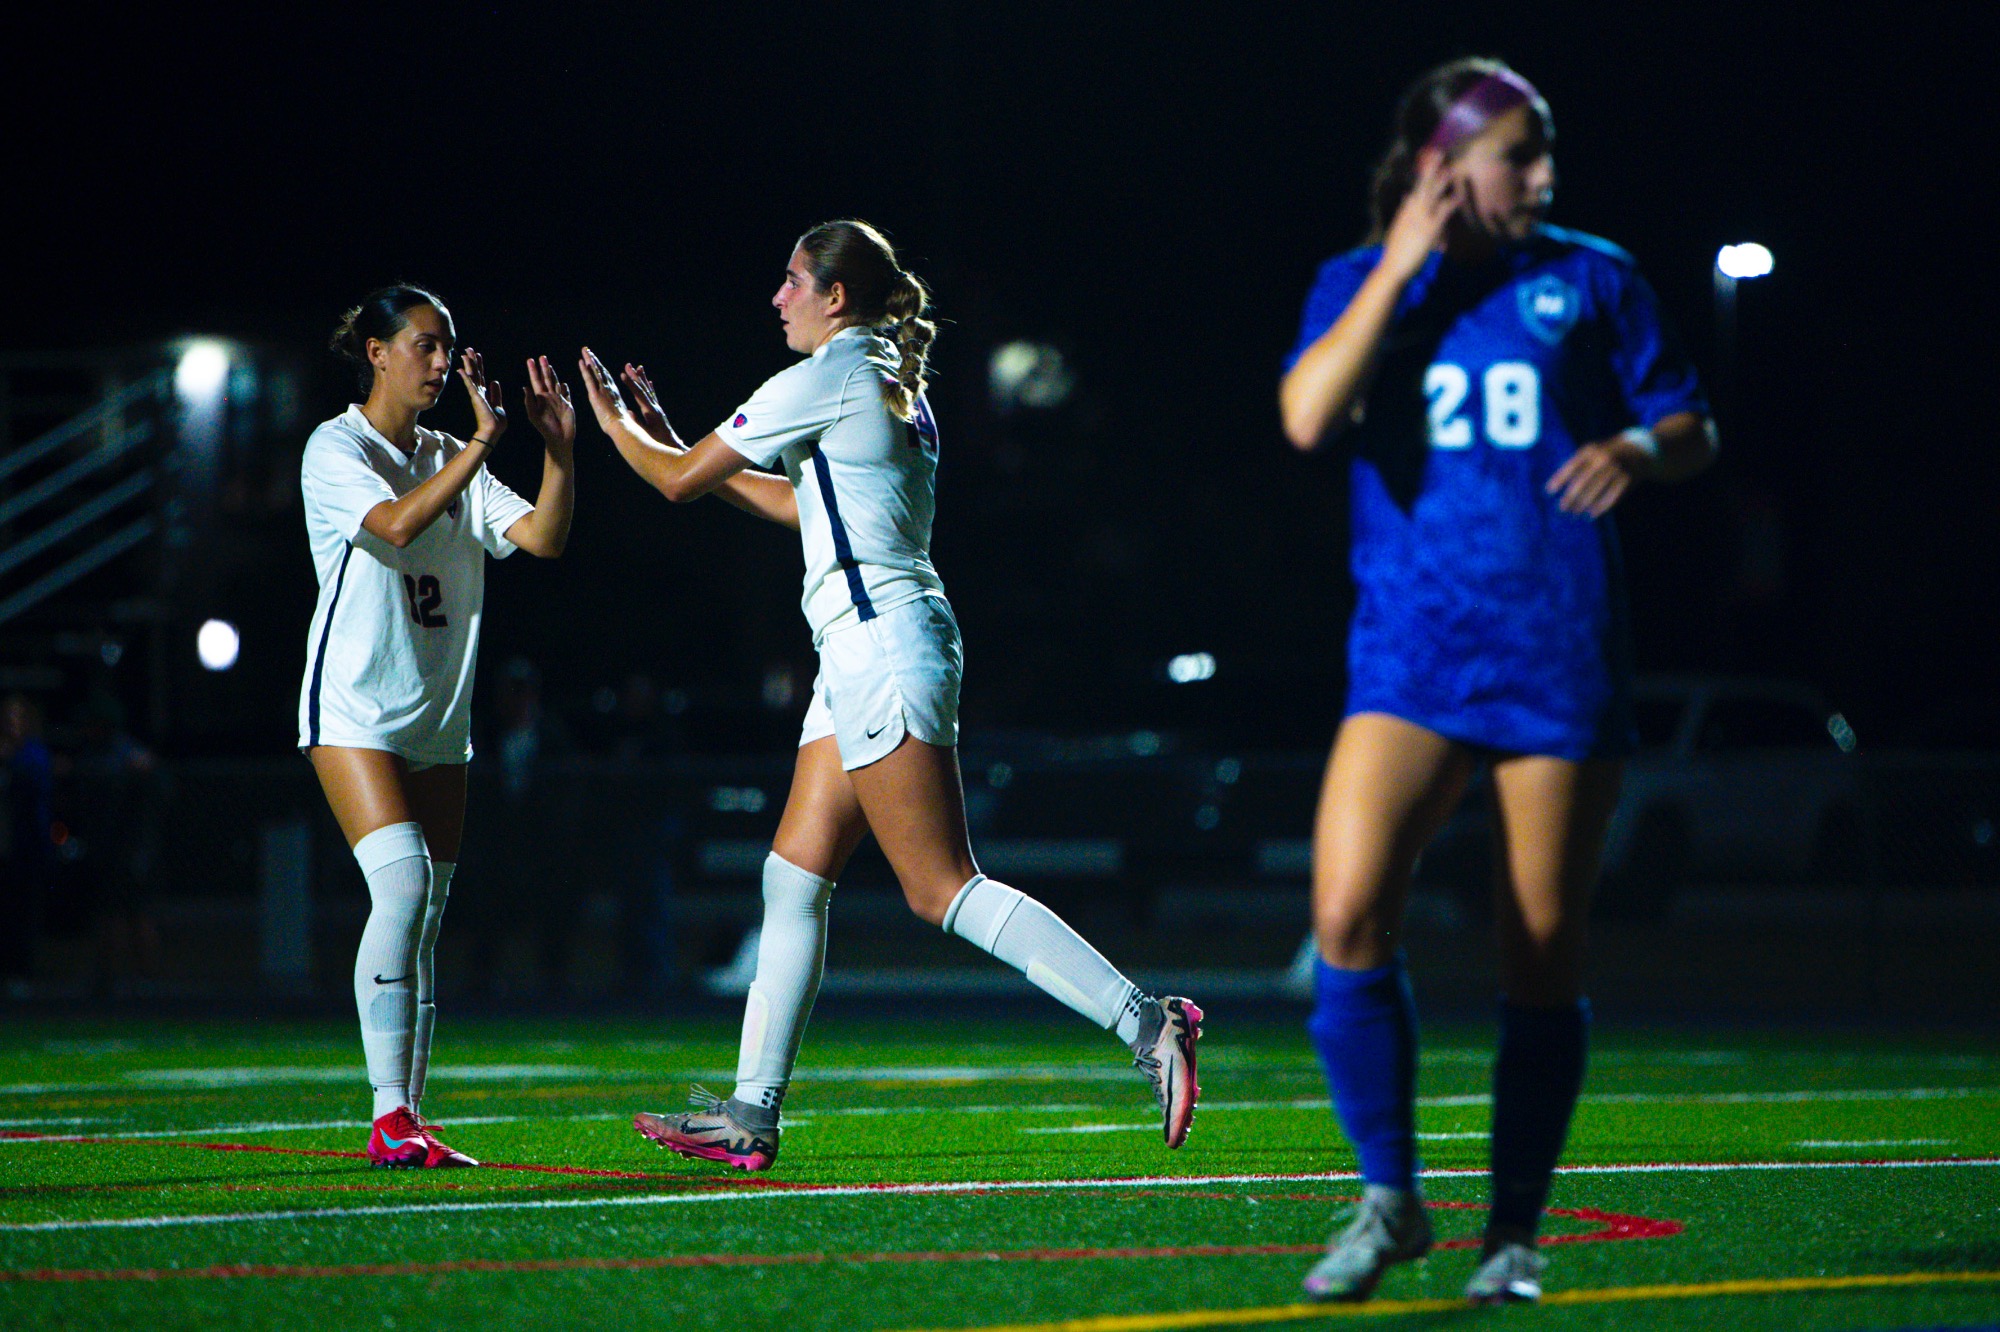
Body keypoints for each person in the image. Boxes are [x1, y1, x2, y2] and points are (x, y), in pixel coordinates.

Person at [577, 220, 1202, 1171]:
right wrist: (667, 445)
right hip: (870, 649)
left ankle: (1144, 1019)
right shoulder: (876, 371)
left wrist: (612, 425)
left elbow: (670, 483)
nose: (777, 297)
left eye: (791, 281)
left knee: (942, 886)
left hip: (880, 648)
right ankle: (749, 1113)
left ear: (835, 297)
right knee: (792, 877)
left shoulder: (827, 374)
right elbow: (797, 505)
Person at [1277, 60, 1716, 1304]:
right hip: (1411, 655)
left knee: (1539, 950)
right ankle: (1389, 1201)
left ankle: (1510, 1237)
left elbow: (1692, 425)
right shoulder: (1359, 286)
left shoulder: (1591, 275)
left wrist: (1639, 443)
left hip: (1555, 649)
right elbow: (1308, 417)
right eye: (1517, 155)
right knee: (1348, 917)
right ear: (1441, 168)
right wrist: (1400, 265)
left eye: (1545, 153)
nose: (1542, 177)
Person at [300, 285, 576, 1167]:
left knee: (425, 918)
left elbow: (541, 540)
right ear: (376, 352)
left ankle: (409, 1118)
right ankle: (388, 1116)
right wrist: (489, 443)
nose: (444, 361)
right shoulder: (336, 447)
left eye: (450, 345)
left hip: (436, 718)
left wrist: (560, 455)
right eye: (424, 344)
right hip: (352, 709)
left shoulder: (455, 451)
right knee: (405, 889)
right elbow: (391, 527)